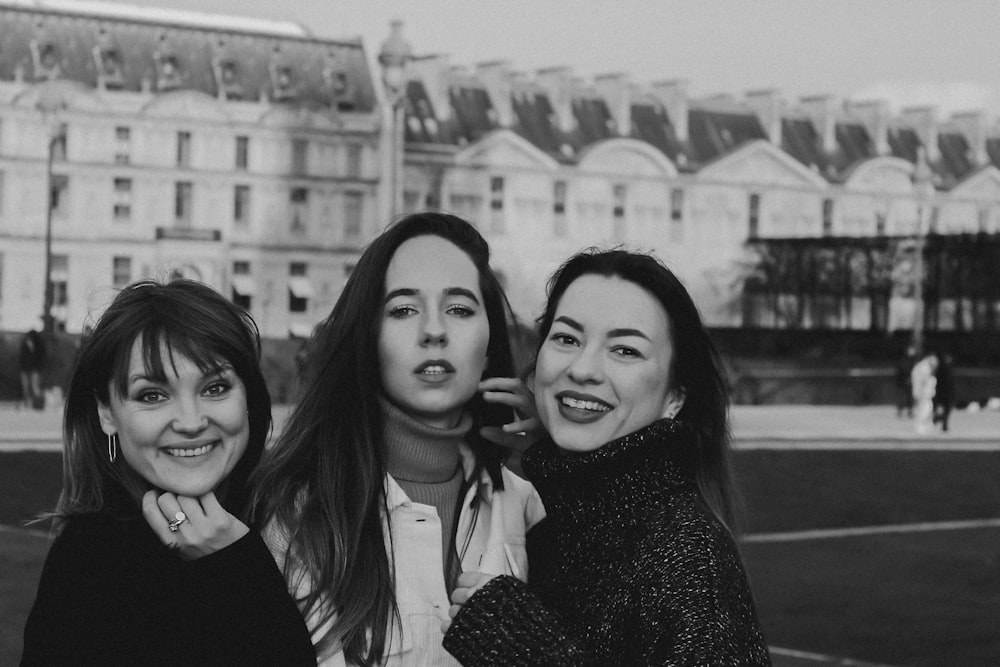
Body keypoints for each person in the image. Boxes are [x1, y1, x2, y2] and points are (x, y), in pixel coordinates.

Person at [443, 248, 770, 665]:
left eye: (626, 350)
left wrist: (523, 650)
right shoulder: (560, 523)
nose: (583, 369)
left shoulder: (688, 555)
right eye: (567, 338)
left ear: (675, 397)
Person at [250, 212, 544, 666]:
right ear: (368, 340)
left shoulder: (523, 501)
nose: (433, 331)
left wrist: (549, 457)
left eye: (460, 309)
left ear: (488, 350)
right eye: (404, 309)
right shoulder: (299, 511)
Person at [21, 280, 315, 667]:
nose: (191, 422)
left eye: (215, 387)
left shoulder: (303, 528)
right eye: (152, 395)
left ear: (249, 399)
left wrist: (240, 562)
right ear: (107, 413)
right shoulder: (86, 567)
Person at [18, 327, 47, 410]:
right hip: (30, 369)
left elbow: (23, 357)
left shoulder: (31, 344)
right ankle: (31, 403)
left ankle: (36, 403)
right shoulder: (29, 345)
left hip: (33, 369)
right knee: (30, 387)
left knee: (33, 387)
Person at [911, 351, 938, 435]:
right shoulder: (924, 367)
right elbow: (923, 381)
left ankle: (925, 425)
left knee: (927, 408)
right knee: (924, 409)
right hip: (923, 393)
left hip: (924, 393)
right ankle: (919, 426)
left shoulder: (922, 366)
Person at [932, 350, 955, 432]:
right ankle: (942, 424)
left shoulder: (945, 367)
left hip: (946, 392)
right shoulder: (943, 368)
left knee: (947, 409)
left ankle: (940, 421)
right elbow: (942, 382)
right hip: (944, 392)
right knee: (947, 409)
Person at [895, 345, 917, 418]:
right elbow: (901, 371)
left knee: (910, 398)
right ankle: (900, 411)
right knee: (903, 397)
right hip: (903, 382)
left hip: (911, 382)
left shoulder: (914, 361)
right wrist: (905, 380)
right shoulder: (903, 360)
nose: (912, 352)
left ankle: (910, 411)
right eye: (910, 350)